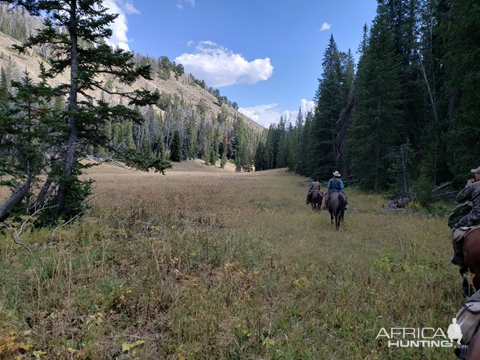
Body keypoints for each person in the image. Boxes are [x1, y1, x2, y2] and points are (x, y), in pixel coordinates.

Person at [450, 166, 480, 267]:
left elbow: (459, 198)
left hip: (475, 216)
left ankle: (458, 256)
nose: (475, 175)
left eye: (476, 173)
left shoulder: (474, 186)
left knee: (456, 228)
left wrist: (467, 186)